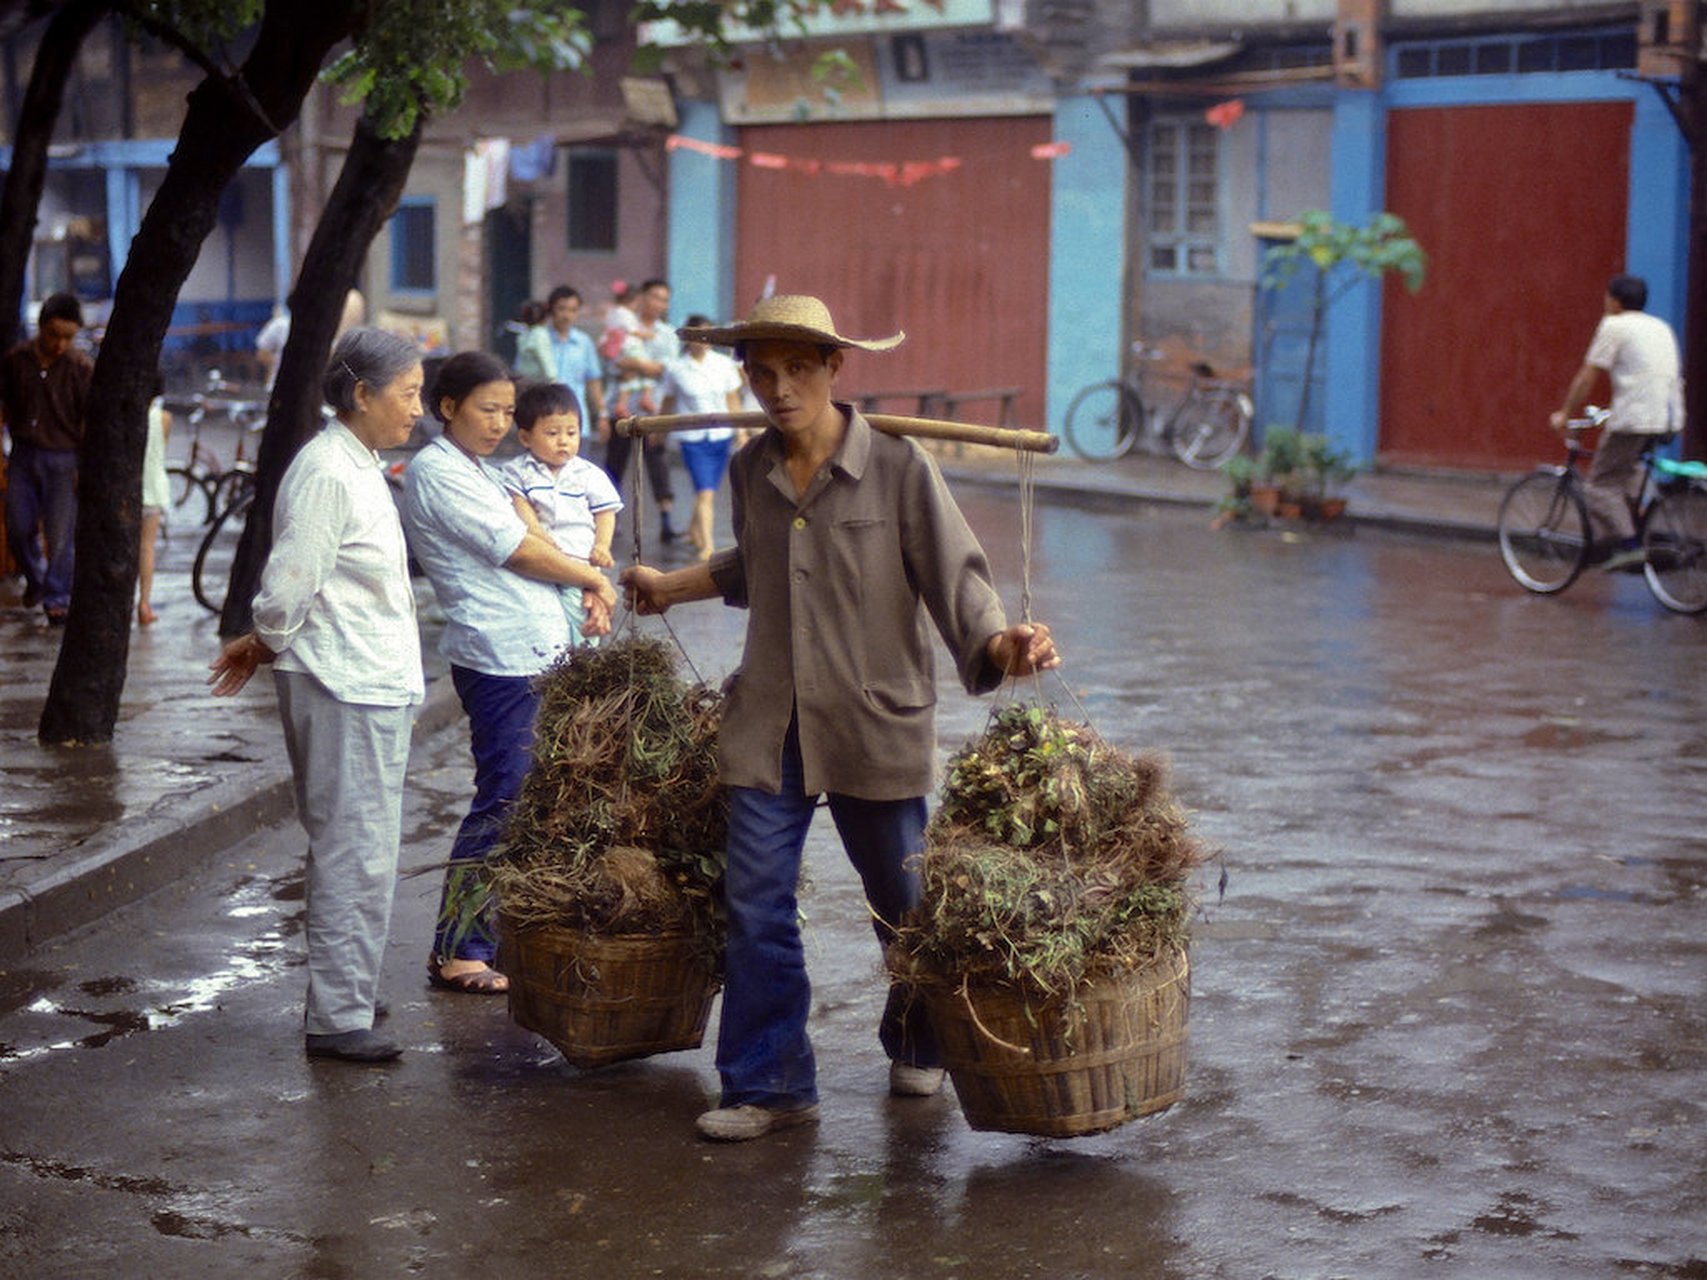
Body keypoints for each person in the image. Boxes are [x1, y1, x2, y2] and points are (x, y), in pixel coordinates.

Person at [620, 295, 1060, 1142]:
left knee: (903, 903)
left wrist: (1002, 643)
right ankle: (769, 1082)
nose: (779, 388)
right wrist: (672, 585)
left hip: (873, 717)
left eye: (798, 369)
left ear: (834, 370)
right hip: (770, 720)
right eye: (762, 372)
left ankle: (918, 1033)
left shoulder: (897, 468)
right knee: (754, 901)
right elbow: (761, 563)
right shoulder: (751, 470)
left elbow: (956, 579)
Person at [208, 327, 427, 1063]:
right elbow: (290, 581)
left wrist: (265, 637)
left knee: (365, 845)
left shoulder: (354, 461)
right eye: (408, 395)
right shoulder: (329, 470)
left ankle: (349, 990)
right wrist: (265, 636)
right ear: (361, 395)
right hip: (343, 678)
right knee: (352, 849)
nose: (417, 411)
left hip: (363, 676)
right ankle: (337, 1017)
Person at [402, 352, 618, 995]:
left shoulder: (484, 470)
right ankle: (460, 948)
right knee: (504, 797)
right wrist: (592, 577)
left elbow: (552, 531)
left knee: (538, 800)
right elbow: (521, 550)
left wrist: (588, 585)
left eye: (506, 411)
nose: (501, 423)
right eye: (488, 410)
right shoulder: (438, 473)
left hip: (540, 646)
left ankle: (505, 935)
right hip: (500, 657)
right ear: (448, 409)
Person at [1550, 274, 1684, 570]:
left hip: (1635, 419)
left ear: (1615, 301)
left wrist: (1565, 413)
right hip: (1669, 416)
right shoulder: (1660, 327)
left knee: (1599, 486)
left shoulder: (1614, 325)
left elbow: (1588, 376)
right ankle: (1640, 519)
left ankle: (1630, 544)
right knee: (1629, 469)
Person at [498, 380, 622, 639]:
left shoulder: (588, 474)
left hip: (580, 562)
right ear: (525, 437)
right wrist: (545, 545)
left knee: (583, 615)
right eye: (552, 434)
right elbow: (525, 517)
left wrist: (602, 545)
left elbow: (605, 513)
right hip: (542, 559)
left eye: (571, 433)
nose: (563, 442)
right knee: (554, 620)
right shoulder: (516, 472)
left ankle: (582, 662)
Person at [0, 293, 93, 624]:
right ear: (41, 327)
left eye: (69, 337)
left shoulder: (80, 367)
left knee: (60, 534)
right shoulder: (16, 359)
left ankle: (56, 597)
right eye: (54, 335)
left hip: (64, 458)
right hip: (25, 455)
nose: (60, 344)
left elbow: (88, 419)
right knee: (17, 524)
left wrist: (84, 465)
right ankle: (37, 579)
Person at [657, 314, 745, 561]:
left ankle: (694, 531)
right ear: (689, 338)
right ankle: (707, 544)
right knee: (705, 491)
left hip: (720, 435)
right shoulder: (676, 368)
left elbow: (732, 399)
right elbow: (668, 401)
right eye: (698, 335)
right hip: (692, 438)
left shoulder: (723, 364)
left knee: (707, 490)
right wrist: (659, 431)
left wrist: (741, 430)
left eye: (708, 335)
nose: (703, 341)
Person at [603, 277, 679, 542]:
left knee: (658, 463)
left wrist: (635, 364)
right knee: (615, 464)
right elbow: (613, 361)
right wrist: (641, 365)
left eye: (665, 299)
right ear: (642, 297)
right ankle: (610, 521)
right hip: (622, 409)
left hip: (652, 409)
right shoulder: (622, 323)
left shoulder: (668, 334)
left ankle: (666, 520)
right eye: (656, 297)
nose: (660, 304)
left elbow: (666, 369)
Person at [514, 284, 608, 434]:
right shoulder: (537, 338)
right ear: (551, 310)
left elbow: (593, 382)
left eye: (573, 310)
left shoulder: (583, 342)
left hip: (577, 424)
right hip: (542, 420)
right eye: (561, 309)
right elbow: (521, 376)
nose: (566, 315)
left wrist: (602, 415)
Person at [136, 373, 171, 626]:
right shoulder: (164, 419)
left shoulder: (122, 418)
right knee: (146, 547)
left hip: (128, 491)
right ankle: (144, 604)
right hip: (153, 490)